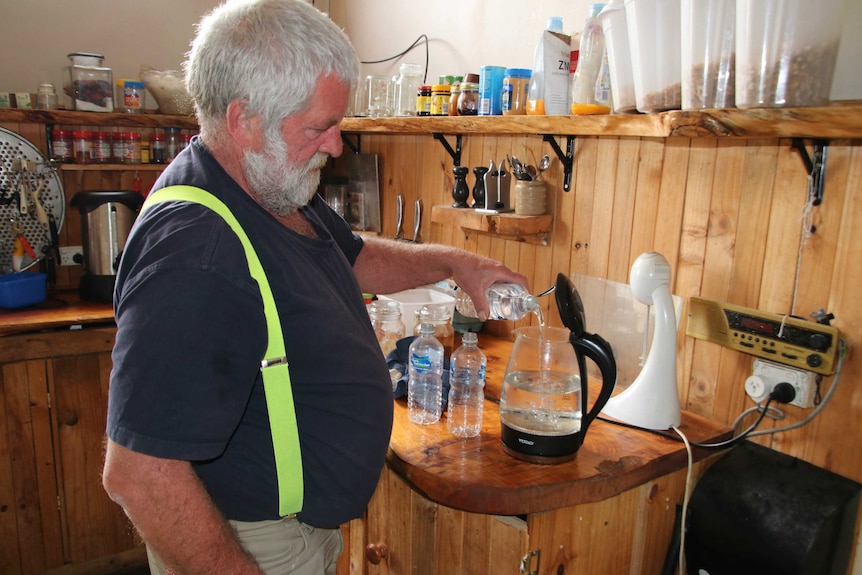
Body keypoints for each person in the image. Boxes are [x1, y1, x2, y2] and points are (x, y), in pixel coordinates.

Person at [101, 1, 529, 574]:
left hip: (298, 537)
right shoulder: (194, 255)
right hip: (245, 549)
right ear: (243, 121)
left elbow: (353, 256)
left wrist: (456, 263)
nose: (335, 147)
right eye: (319, 127)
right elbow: (140, 474)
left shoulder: (268, 188)